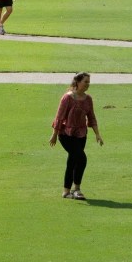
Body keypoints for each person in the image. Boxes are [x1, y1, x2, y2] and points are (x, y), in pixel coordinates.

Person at [49, 71, 103, 200]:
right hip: (66, 135)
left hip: (81, 135)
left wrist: (97, 134)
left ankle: (66, 191)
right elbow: (59, 117)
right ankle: (77, 189)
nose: (87, 85)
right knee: (82, 159)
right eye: (85, 82)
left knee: (72, 160)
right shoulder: (67, 98)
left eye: (89, 82)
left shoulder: (88, 99)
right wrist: (54, 135)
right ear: (77, 82)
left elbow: (91, 117)